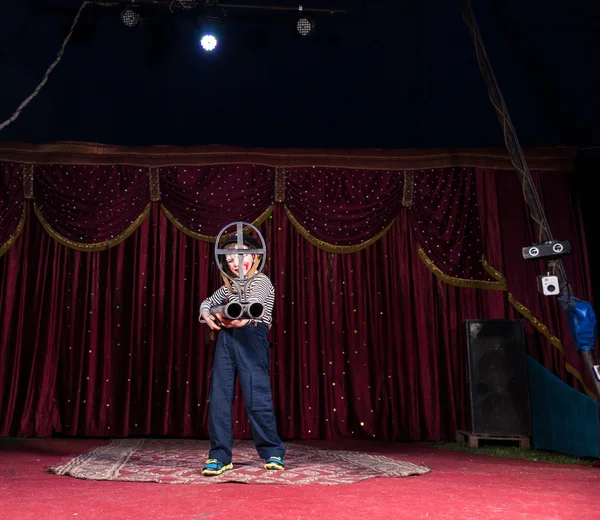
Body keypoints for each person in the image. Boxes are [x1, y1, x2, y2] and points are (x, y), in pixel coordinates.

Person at [199, 233, 285, 476]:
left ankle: (272, 451)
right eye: (229, 258)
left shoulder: (262, 281)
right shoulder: (227, 287)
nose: (235, 262)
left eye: (242, 255)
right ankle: (219, 456)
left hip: (253, 337)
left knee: (257, 396)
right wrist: (208, 315)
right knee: (219, 397)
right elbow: (206, 303)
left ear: (256, 257)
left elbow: (253, 305)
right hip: (227, 341)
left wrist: (240, 318)